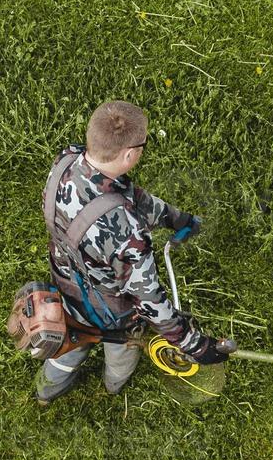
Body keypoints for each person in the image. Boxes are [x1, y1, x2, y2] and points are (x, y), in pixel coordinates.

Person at [35, 99, 230, 402]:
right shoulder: (128, 235)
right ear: (129, 154)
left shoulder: (66, 160)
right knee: (123, 352)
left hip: (63, 284)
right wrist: (194, 344)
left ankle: (46, 391)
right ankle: (113, 387)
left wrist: (175, 218)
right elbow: (150, 301)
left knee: (66, 349)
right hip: (110, 312)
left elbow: (127, 195)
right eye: (143, 144)